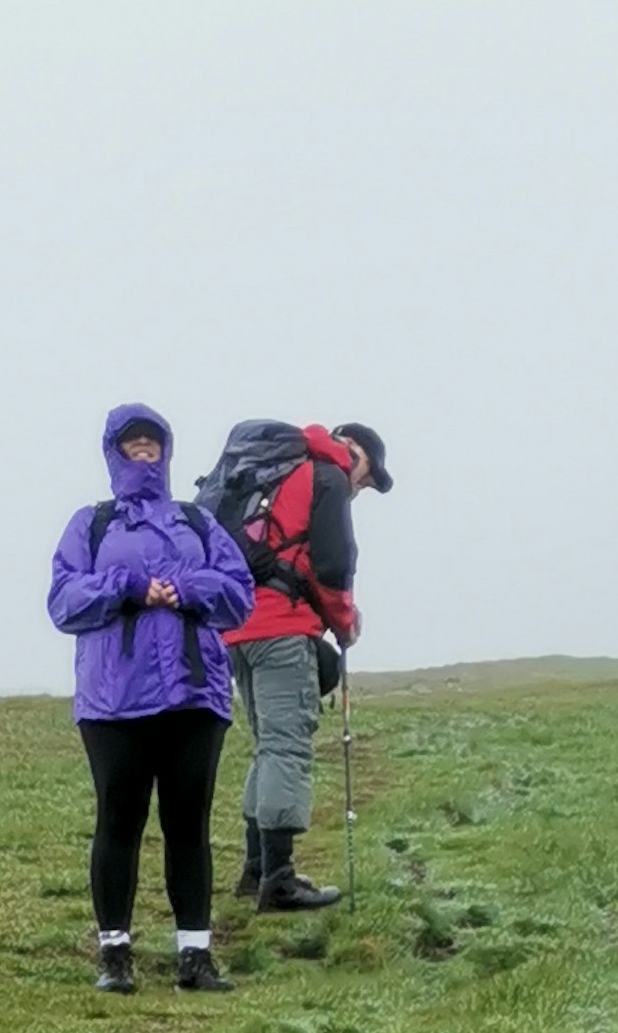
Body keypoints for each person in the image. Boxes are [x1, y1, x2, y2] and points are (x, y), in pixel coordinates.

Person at [46, 401, 256, 993]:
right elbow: (64, 601)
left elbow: (239, 592)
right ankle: (115, 954)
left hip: (195, 694)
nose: (144, 451)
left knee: (189, 821)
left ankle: (196, 955)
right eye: (132, 443)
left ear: (165, 449)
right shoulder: (91, 524)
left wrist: (184, 589)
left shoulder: (197, 521)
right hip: (113, 701)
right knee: (119, 819)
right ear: (114, 451)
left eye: (152, 442)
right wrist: (130, 588)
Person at [203, 419, 391, 911]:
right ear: (351, 450)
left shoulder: (275, 472)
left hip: (236, 629)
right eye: (368, 475)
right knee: (287, 748)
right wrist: (345, 621)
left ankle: (255, 870)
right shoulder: (325, 475)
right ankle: (279, 880)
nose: (362, 486)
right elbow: (332, 565)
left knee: (268, 748)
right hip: (282, 629)